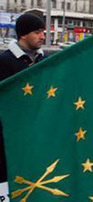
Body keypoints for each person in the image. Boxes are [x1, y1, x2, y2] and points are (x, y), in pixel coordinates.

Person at [0, 13, 46, 183]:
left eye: (43, 32)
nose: (42, 36)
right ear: (23, 34)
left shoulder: (45, 61)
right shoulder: (5, 62)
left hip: (38, 138)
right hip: (11, 141)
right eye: (37, 32)